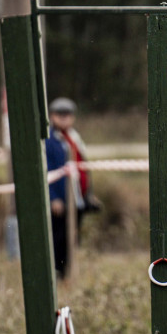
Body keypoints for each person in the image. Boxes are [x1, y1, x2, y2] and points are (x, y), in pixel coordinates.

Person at [45, 97, 99, 280]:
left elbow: (83, 166)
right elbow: (48, 170)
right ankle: (57, 276)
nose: (64, 118)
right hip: (61, 199)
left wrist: (88, 194)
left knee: (72, 239)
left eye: (67, 115)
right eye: (60, 115)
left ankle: (67, 274)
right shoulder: (50, 140)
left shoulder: (74, 137)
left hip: (78, 197)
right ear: (52, 116)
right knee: (59, 240)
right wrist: (53, 198)